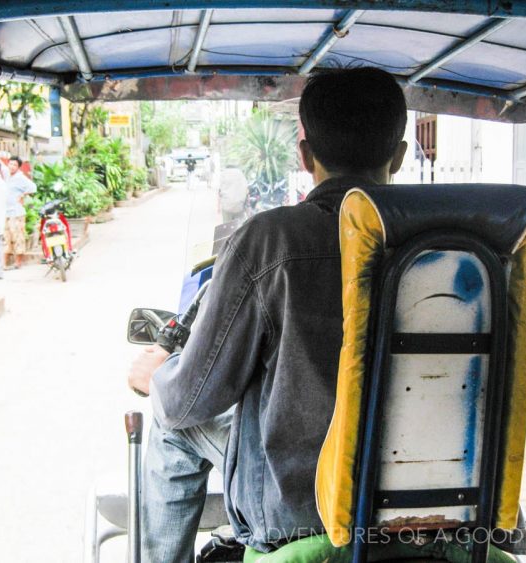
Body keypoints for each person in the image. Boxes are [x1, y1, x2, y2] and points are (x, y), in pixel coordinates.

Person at [127, 68, 408, 561]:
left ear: (304, 157)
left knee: (169, 422)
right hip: (431, 505)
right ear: (400, 155)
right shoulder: (461, 244)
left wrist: (158, 376)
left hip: (299, 511)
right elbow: (525, 367)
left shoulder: (271, 241)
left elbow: (194, 398)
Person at [3, 155, 37, 269]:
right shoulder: (8, 175)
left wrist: (23, 194)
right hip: (6, 212)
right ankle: (4, 264)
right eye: (10, 164)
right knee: (6, 237)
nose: (12, 166)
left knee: (18, 238)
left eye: (15, 165)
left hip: (17, 213)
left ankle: (18, 263)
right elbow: (2, 166)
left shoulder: (20, 177)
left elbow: (33, 187)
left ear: (18, 167)